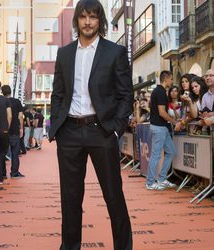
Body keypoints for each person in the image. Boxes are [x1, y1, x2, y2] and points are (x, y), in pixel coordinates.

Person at [49, 0, 133, 249]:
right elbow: (58, 93)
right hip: (70, 132)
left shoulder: (113, 52)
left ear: (100, 21)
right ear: (76, 20)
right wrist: (57, 125)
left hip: (102, 131)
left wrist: (116, 127)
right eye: (83, 17)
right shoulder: (64, 53)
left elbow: (125, 95)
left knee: (113, 195)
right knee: (70, 197)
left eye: (93, 17)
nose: (87, 22)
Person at [146, 71, 177, 190]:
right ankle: (150, 183)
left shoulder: (160, 92)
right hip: (159, 127)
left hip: (161, 127)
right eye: (171, 79)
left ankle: (162, 178)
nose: (172, 81)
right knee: (156, 155)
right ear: (167, 79)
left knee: (171, 151)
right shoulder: (160, 92)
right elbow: (162, 112)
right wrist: (175, 122)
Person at [1, 85, 25, 178]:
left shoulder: (0, 102)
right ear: (10, 91)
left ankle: (2, 173)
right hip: (14, 130)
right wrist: (21, 128)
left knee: (2, 152)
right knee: (15, 152)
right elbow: (20, 116)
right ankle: (14, 172)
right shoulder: (17, 102)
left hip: (3, 130)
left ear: (2, 92)